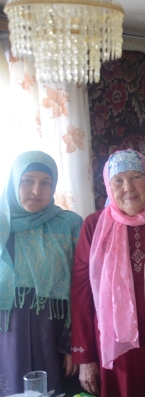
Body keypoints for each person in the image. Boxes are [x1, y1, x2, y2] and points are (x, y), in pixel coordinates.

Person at [70, 150, 145, 397]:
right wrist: (85, 358)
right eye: (118, 180)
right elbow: (81, 293)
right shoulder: (95, 226)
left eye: (136, 177)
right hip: (115, 346)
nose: (128, 188)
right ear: (109, 185)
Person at [0, 151, 83, 395]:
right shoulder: (2, 226)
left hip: (53, 335)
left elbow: (82, 288)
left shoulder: (70, 225)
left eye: (46, 183)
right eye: (28, 181)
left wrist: (72, 344)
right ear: (14, 182)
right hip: (8, 338)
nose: (37, 190)